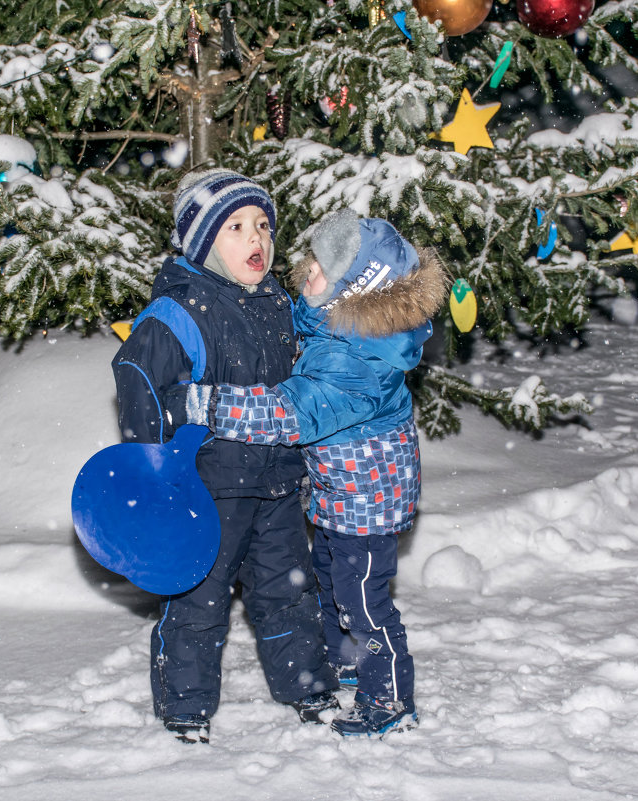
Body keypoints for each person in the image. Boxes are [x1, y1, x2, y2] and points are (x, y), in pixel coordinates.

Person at [169, 209, 448, 736]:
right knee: (331, 583)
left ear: (353, 290)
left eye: (320, 267)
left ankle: (388, 699)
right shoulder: (340, 323)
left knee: (363, 600)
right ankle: (348, 665)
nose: (306, 272)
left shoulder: (355, 363)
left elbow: (288, 413)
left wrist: (206, 404)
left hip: (366, 503)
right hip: (341, 496)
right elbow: (304, 324)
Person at [111, 169, 339, 745]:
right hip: (207, 490)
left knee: (288, 590)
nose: (255, 238)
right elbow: (139, 377)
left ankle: (308, 687)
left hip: (277, 483)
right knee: (197, 597)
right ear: (202, 242)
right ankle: (186, 707)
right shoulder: (180, 311)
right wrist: (159, 463)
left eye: (263, 225)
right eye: (235, 227)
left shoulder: (277, 304)